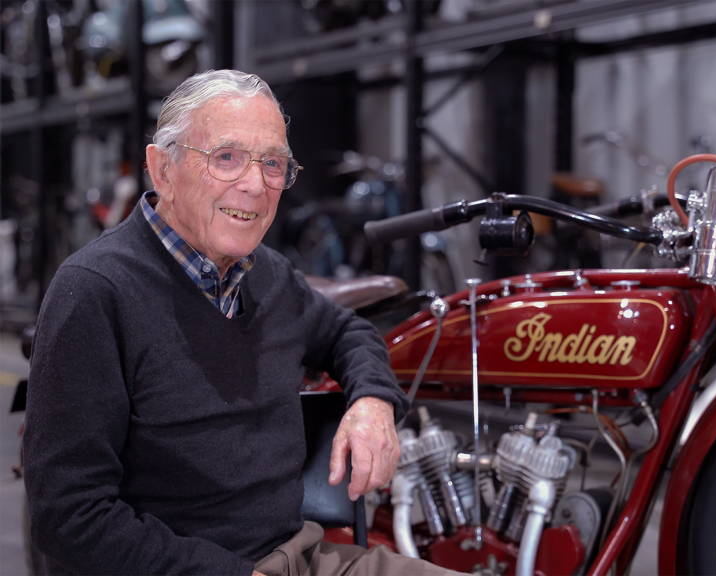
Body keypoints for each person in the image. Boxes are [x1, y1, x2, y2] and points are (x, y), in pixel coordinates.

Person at [23, 69, 461, 576]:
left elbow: (347, 331)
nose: (255, 185)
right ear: (162, 169)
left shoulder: (268, 275)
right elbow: (69, 517)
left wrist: (373, 402)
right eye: (226, 158)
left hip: (299, 555)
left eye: (273, 163)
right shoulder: (95, 291)